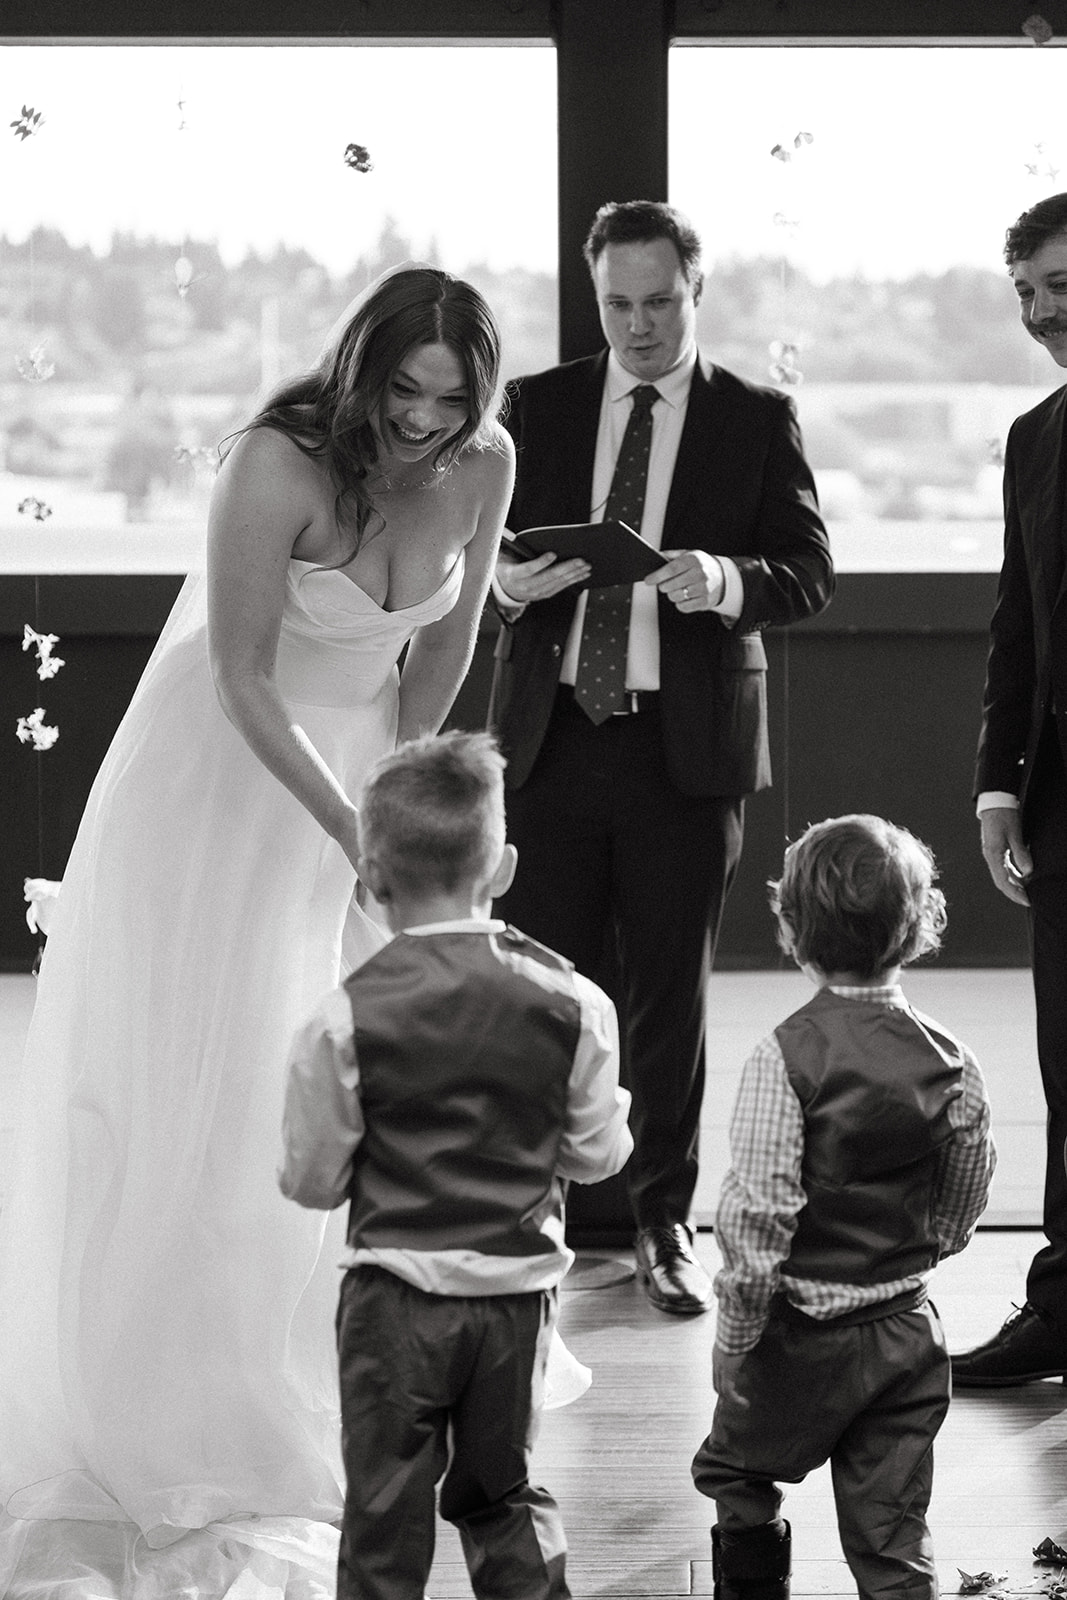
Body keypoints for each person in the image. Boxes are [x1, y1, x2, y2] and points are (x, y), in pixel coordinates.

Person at [0, 267, 514, 1598]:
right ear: (359, 372)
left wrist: (414, 811)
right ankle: (163, 1384)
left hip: (357, 780)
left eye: (450, 399)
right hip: (225, 779)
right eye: (401, 392)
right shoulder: (275, 462)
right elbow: (233, 670)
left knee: (335, 1069)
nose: (421, 421)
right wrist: (346, 824)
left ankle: (304, 1358)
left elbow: (442, 653)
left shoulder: (483, 464)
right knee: (210, 1072)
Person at [487, 199, 834, 1315]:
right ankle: (528, 1216)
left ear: (697, 290)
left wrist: (721, 581)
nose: (637, 325)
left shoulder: (755, 417)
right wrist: (507, 582)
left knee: (665, 1000)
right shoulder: (534, 407)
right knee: (541, 990)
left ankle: (659, 1224)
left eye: (659, 301)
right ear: (594, 296)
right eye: (616, 303)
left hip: (681, 751)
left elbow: (807, 571)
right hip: (549, 739)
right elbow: (470, 554)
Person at [278, 729, 632, 1600]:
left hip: (392, 1302)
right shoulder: (574, 1001)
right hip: (515, 1306)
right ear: (502, 865)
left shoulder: (339, 1019)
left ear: (372, 874)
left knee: (384, 1512)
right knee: (502, 1493)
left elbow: (313, 1181)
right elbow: (596, 1156)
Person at [691, 815, 995, 1600]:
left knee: (739, 1474)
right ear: (919, 927)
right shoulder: (952, 1061)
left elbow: (757, 1216)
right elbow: (963, 1195)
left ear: (790, 930)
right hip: (905, 1332)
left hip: (796, 1338)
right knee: (892, 1532)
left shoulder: (782, 1056)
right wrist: (928, 1246)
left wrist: (734, 1335)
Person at [953, 190, 1067, 1387]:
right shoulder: (1034, 438)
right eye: (1026, 293)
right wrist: (996, 791)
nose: (1039, 315)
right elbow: (1016, 628)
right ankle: (1061, 1307)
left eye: (1059, 288)